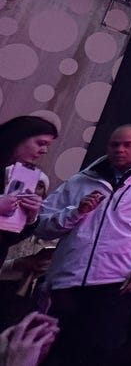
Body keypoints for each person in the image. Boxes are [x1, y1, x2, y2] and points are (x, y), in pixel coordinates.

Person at [36, 124, 131, 366]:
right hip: (68, 278)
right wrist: (76, 212)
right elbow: (41, 225)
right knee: (57, 348)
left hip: (117, 280)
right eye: (115, 144)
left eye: (128, 144)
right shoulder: (82, 180)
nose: (120, 149)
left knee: (102, 349)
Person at [0, 116, 56, 320]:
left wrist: (30, 217)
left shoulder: (21, 176)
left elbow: (8, 237)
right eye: (40, 143)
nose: (44, 151)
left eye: (47, 146)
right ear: (18, 137)